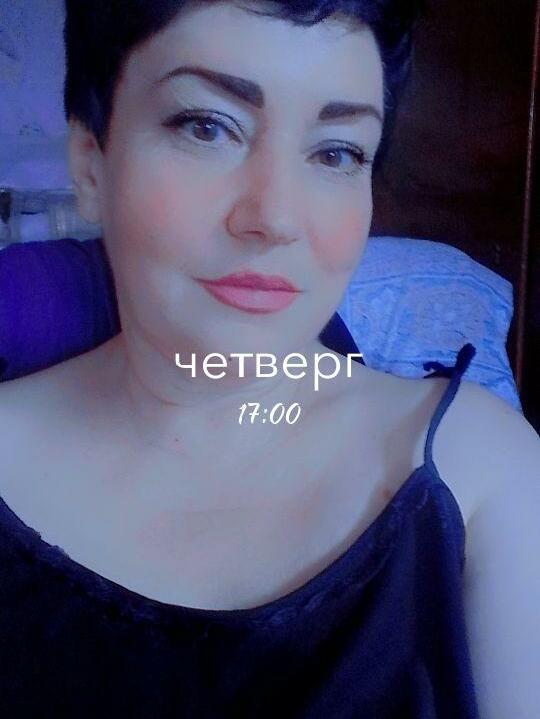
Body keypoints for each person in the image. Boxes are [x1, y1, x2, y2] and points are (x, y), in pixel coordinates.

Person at [0, 1, 538, 716]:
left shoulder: (482, 474)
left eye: (337, 152)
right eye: (207, 126)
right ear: (90, 164)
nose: (276, 217)